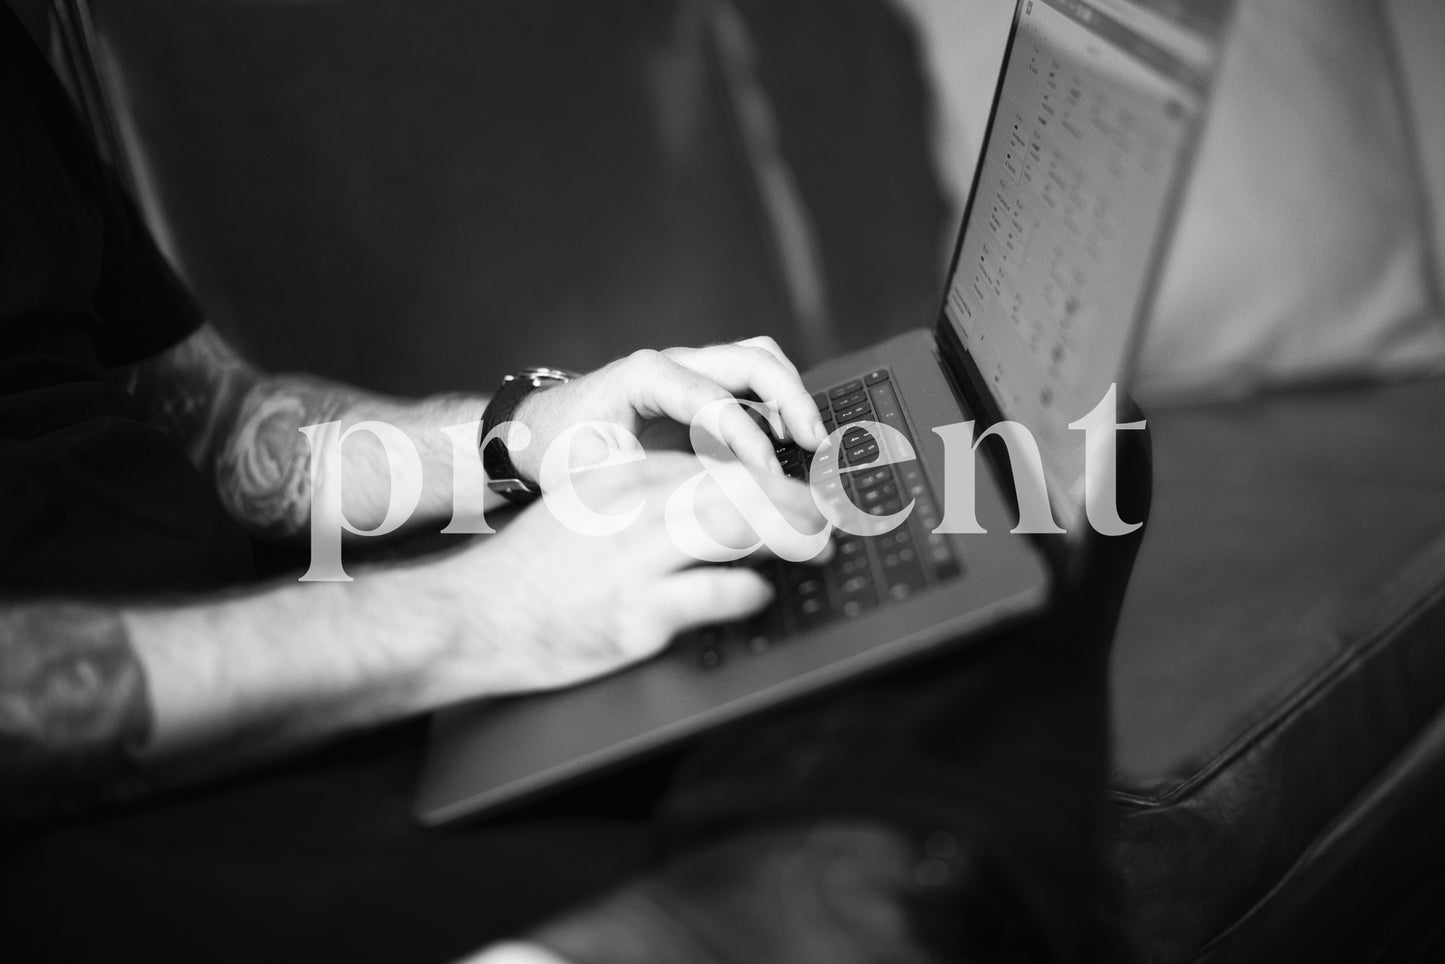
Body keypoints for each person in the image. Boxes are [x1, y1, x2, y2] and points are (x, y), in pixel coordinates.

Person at [0, 5, 1142, 961]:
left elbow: (212, 422)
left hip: (315, 683)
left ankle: (848, 869)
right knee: (960, 662)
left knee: (1034, 475)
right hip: (101, 848)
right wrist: (473, 613)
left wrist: (522, 435)